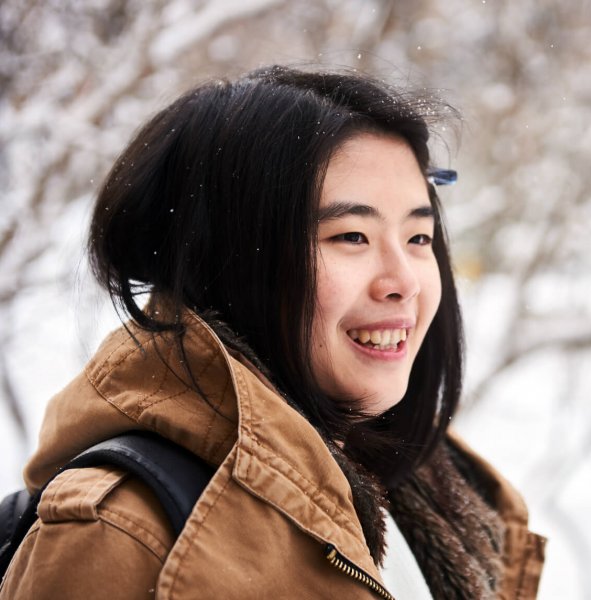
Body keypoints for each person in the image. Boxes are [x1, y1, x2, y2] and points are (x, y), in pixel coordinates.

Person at [0, 66, 545, 599]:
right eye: (352, 236)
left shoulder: (443, 501)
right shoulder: (120, 533)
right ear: (233, 263)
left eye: (419, 238)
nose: (403, 281)